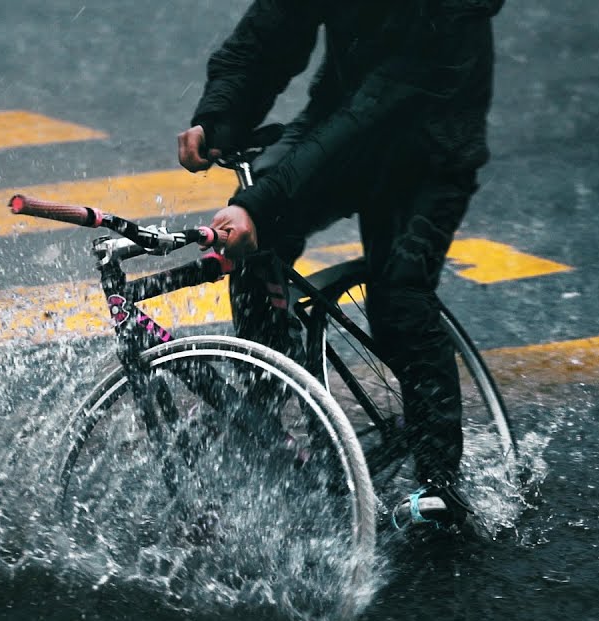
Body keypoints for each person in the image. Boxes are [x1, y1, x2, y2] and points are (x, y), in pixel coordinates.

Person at [177, 0, 505, 529]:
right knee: (258, 245)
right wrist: (217, 119)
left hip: (428, 149)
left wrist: (257, 206)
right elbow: (266, 39)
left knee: (399, 296)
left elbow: (373, 112)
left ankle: (440, 485)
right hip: (344, 119)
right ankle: (266, 412)